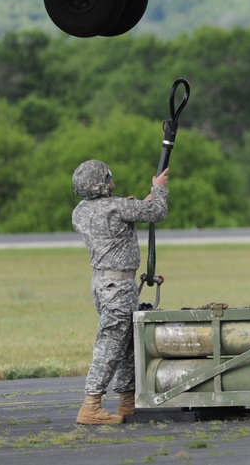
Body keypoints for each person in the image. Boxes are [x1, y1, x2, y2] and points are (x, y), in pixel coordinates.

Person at [71, 160, 169, 425]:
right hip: (118, 287)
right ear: (101, 184)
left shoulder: (80, 211)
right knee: (111, 343)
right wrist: (159, 189)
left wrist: (142, 202)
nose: (112, 178)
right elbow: (157, 212)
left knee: (127, 344)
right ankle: (91, 405)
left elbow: (127, 211)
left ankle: (128, 402)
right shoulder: (116, 207)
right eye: (108, 176)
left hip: (103, 285)